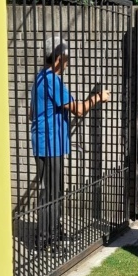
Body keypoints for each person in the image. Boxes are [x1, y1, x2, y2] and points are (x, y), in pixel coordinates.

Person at [30, 36, 110, 252]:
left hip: (45, 141)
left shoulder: (40, 78)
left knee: (53, 191)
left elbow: (32, 114)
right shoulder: (52, 81)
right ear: (57, 58)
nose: (68, 63)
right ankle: (48, 240)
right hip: (50, 143)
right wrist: (98, 97)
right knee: (52, 193)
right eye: (66, 58)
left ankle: (54, 233)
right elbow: (80, 109)